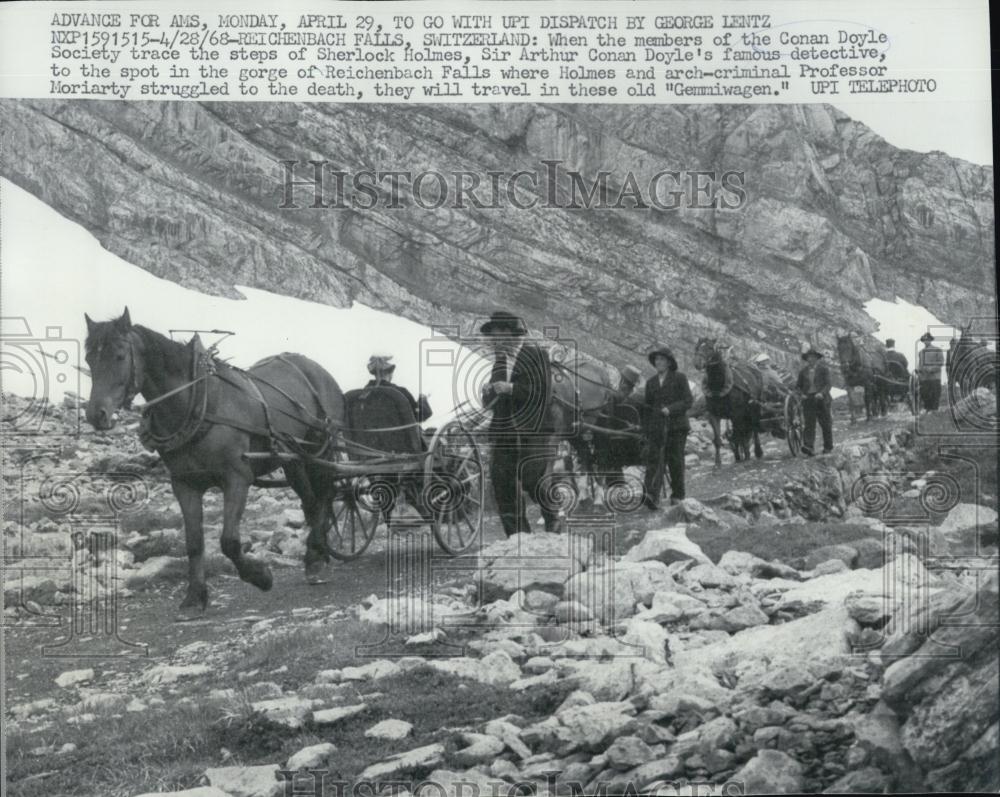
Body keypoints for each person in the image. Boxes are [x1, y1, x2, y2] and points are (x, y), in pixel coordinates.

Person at [479, 310, 556, 536]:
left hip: (533, 431)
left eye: (496, 336)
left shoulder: (536, 355)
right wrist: (488, 392)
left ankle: (553, 520)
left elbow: (543, 394)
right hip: (504, 433)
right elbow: (490, 403)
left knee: (533, 479)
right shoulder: (499, 362)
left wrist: (511, 388)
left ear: (509, 333)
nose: (493, 341)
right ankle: (517, 537)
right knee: (502, 484)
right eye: (492, 337)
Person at [642, 345, 693, 509]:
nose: (658, 362)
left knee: (675, 460)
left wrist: (670, 409)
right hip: (657, 427)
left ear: (669, 362)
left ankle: (677, 495)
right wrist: (646, 428)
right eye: (656, 359)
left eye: (662, 359)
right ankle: (651, 495)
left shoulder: (680, 378)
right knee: (654, 459)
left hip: (677, 427)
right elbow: (647, 407)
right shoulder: (650, 382)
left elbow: (688, 401)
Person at [365, 354, 432, 422]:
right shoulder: (400, 392)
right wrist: (422, 400)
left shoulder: (364, 393)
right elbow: (420, 415)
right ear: (391, 372)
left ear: (374, 373)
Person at [796, 343, 833, 456]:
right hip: (808, 399)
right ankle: (809, 447)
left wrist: (821, 393)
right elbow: (798, 386)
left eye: (813, 357)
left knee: (825, 424)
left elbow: (828, 384)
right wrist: (802, 394)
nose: (811, 359)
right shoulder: (803, 372)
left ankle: (828, 447)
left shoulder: (824, 370)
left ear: (817, 358)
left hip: (822, 399)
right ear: (806, 359)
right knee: (809, 424)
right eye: (809, 357)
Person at [917, 332, 944, 411]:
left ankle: (934, 411)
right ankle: (927, 410)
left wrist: (932, 369)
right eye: (924, 340)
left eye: (928, 340)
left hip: (934, 377)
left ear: (930, 340)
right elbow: (920, 364)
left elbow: (941, 362)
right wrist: (919, 371)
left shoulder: (937, 350)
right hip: (924, 378)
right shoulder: (921, 352)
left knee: (935, 395)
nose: (926, 341)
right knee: (925, 395)